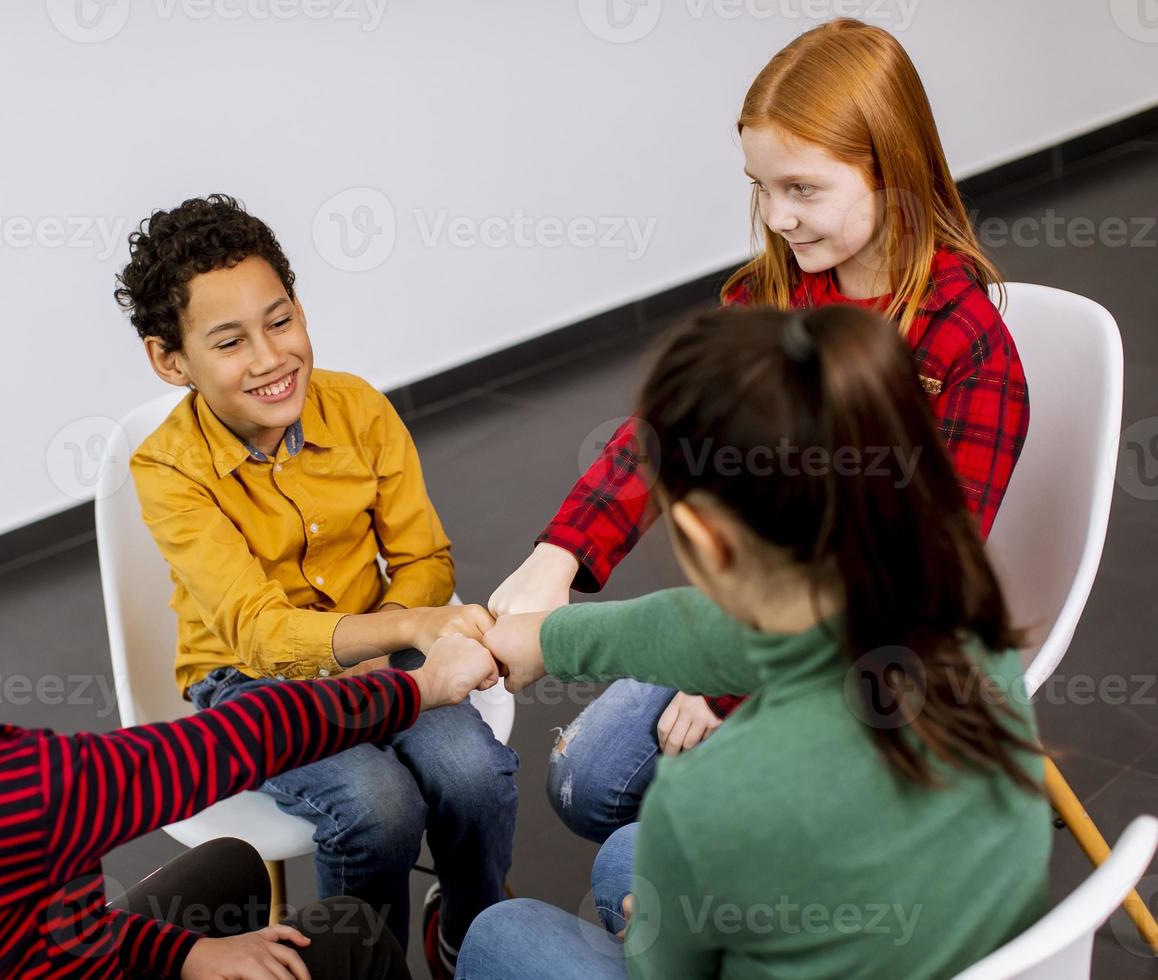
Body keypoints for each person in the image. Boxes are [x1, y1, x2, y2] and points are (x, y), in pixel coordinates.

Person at [489, 18, 1030, 845]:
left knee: (636, 848)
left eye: (803, 189)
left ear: (892, 171)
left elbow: (912, 590)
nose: (776, 216)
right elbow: (661, 436)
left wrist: (725, 686)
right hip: (755, 615)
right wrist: (558, 552)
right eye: (760, 186)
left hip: (866, 652)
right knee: (584, 781)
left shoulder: (968, 351)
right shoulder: (771, 293)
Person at [0, 439, 501, 978]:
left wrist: (184, 958)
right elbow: (242, 738)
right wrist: (420, 685)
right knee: (349, 941)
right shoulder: (9, 787)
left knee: (227, 869)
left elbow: (32, 933)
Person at [461, 304, 1049, 978]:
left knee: (504, 934)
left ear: (707, 539)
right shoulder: (963, 622)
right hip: (972, 953)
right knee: (630, 854)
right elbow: (716, 634)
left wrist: (652, 933)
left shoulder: (706, 803)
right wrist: (551, 637)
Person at [116, 194, 518, 975]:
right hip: (248, 681)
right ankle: (370, 965)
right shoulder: (165, 467)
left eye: (280, 319)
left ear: (299, 307)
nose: (269, 358)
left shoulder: (359, 408)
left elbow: (423, 558)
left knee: (471, 773)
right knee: (377, 806)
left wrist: (396, 623)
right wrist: (400, 635)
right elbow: (262, 632)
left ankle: (474, 934)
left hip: (383, 636)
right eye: (229, 342)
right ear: (170, 360)